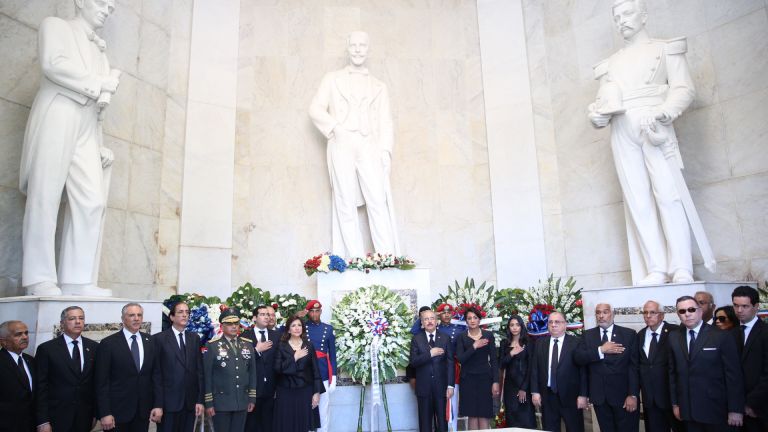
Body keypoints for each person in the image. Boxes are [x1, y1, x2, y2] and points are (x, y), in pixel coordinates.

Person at [588, 0, 705, 285]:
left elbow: (683, 88)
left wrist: (665, 111)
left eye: (627, 13)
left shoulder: (665, 49)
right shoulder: (610, 65)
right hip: (622, 128)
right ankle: (656, 266)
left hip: (654, 124)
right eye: (617, 17)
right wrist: (596, 116)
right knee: (637, 200)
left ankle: (681, 267)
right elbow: (603, 101)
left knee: (668, 195)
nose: (622, 21)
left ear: (643, 15)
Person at [19, 0, 120, 297]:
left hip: (87, 123)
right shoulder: (56, 26)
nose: (106, 10)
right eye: (101, 3)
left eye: (111, 8)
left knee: (92, 200)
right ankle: (39, 277)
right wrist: (100, 82)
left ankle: (77, 280)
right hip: (58, 111)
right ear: (80, 2)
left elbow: (98, 105)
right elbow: (53, 64)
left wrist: (99, 143)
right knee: (44, 195)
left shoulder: (101, 51)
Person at [309, 30, 399, 258]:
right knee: (345, 201)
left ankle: (387, 258)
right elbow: (315, 109)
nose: (358, 49)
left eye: (362, 45)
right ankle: (354, 259)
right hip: (342, 143)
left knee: (378, 200)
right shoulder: (332, 79)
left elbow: (386, 122)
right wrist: (335, 128)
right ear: (348, 48)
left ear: (368, 50)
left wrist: (386, 152)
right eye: (354, 45)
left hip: (369, 144)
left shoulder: (379, 86)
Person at [668, 295, 744, 431]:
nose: (687, 314)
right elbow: (673, 374)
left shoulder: (721, 336)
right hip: (688, 411)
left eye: (691, 309)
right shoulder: (673, 338)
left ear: (700, 311)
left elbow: (734, 376)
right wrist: (675, 404)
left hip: (717, 410)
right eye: (682, 311)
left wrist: (735, 409)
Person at [575, 303, 640, 432]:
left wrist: (633, 394)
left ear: (612, 314)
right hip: (600, 398)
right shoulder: (587, 335)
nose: (601, 316)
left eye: (605, 312)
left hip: (623, 397)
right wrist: (601, 350)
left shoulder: (629, 334)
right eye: (598, 313)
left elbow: (634, 367)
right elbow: (579, 359)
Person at [95, 303, 158, 431]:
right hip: (117, 413)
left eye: (139, 315)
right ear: (123, 318)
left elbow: (156, 375)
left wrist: (157, 405)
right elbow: (101, 382)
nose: (136, 318)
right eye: (132, 315)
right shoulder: (108, 344)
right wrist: (104, 412)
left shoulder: (150, 341)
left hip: (142, 412)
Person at [35, 306, 98, 432]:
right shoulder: (47, 349)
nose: (78, 322)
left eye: (81, 318)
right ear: (62, 323)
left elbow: (96, 383)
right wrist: (42, 420)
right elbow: (40, 386)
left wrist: (96, 414)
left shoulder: (94, 347)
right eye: (72, 318)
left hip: (84, 417)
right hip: (56, 417)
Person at [530, 312, 589, 432]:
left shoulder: (576, 343)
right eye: (550, 322)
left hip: (571, 397)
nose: (553, 325)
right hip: (548, 397)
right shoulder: (540, 343)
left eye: (557, 322)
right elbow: (535, 369)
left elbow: (583, 371)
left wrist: (583, 395)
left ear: (565, 324)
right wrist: (535, 391)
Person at [152, 301, 204, 432]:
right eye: (180, 312)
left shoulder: (194, 338)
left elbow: (199, 371)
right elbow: (156, 374)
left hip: (190, 403)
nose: (185, 315)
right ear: (171, 317)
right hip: (168, 404)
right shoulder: (159, 339)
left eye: (187, 312)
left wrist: (199, 400)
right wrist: (158, 404)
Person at [203, 309, 257, 432]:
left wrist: (252, 398)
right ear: (222, 326)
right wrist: (209, 402)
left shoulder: (247, 345)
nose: (233, 326)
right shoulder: (212, 346)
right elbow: (207, 376)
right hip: (221, 402)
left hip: (242, 401)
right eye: (229, 324)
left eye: (236, 323)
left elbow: (252, 373)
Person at [272, 315, 324, 432]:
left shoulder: (309, 345)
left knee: (303, 424)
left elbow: (315, 370)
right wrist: (294, 357)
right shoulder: (281, 345)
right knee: (286, 424)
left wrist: (316, 392)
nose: (297, 328)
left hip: (304, 390)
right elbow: (277, 369)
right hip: (285, 391)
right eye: (293, 325)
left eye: (299, 325)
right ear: (289, 329)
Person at [636, 300, 682, 432]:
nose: (648, 316)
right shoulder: (640, 335)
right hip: (650, 399)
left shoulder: (676, 332)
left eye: (652, 312)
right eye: (645, 312)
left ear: (662, 315)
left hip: (672, 398)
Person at [409, 310, 454, 432]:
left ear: (436, 321)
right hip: (424, 388)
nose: (429, 321)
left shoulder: (445, 338)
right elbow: (413, 362)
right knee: (425, 424)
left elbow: (450, 363)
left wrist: (450, 385)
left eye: (432, 318)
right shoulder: (416, 339)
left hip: (442, 388)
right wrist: (430, 354)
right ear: (422, 323)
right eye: (426, 319)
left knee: (442, 423)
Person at [455, 307, 499, 430]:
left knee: (484, 414)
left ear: (480, 320)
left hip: (485, 379)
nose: (472, 320)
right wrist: (474, 346)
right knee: (472, 415)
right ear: (466, 321)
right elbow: (460, 359)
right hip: (467, 379)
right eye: (469, 318)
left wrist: (495, 381)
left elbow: (494, 360)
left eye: (475, 317)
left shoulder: (488, 335)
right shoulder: (461, 337)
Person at [731, 285, 768, 431]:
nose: (739, 311)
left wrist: (750, 403)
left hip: (760, 409)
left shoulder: (765, 333)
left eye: (745, 306)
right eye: (736, 305)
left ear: (756, 306)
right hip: (734, 411)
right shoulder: (730, 334)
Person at [241, 305, 280, 432]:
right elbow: (241, 361)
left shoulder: (276, 336)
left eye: (268, 315)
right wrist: (257, 350)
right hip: (252, 390)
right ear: (254, 318)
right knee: (251, 425)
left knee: (269, 425)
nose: (266, 317)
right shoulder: (244, 336)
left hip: (271, 389)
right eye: (262, 314)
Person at [304, 300, 337, 432]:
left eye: (317, 311)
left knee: (323, 409)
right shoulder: (301, 327)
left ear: (321, 311)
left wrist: (333, 377)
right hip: (306, 372)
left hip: (323, 372)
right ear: (308, 313)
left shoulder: (328, 329)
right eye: (311, 311)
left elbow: (333, 355)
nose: (314, 314)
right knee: (308, 409)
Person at [498, 315, 536, 428]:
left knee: (527, 420)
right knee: (512, 419)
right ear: (508, 327)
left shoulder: (528, 342)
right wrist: (511, 353)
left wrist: (524, 388)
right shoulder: (504, 343)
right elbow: (501, 364)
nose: (514, 328)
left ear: (521, 326)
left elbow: (531, 367)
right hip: (510, 388)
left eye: (517, 325)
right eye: (512, 325)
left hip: (525, 386)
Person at [0, 320, 34, 432]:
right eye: (18, 334)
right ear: (3, 342)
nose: (25, 337)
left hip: (31, 425)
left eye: (26, 333)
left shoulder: (31, 360)